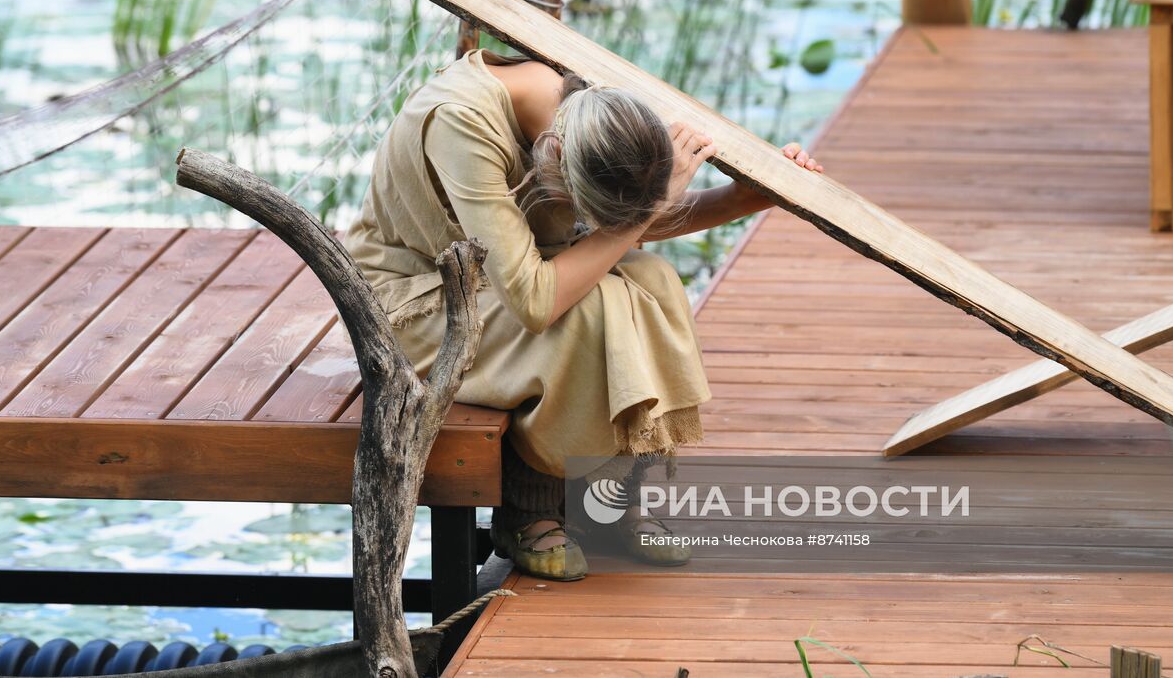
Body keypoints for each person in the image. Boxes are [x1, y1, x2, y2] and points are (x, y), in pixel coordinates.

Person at [343, 47, 821, 581]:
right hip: (415, 303)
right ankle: (532, 510)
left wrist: (743, 198)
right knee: (586, 312)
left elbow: (615, 230)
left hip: (496, 279)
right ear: (551, 153)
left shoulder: (583, 108)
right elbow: (535, 302)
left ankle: (609, 499)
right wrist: (651, 208)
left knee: (654, 282)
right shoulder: (462, 122)